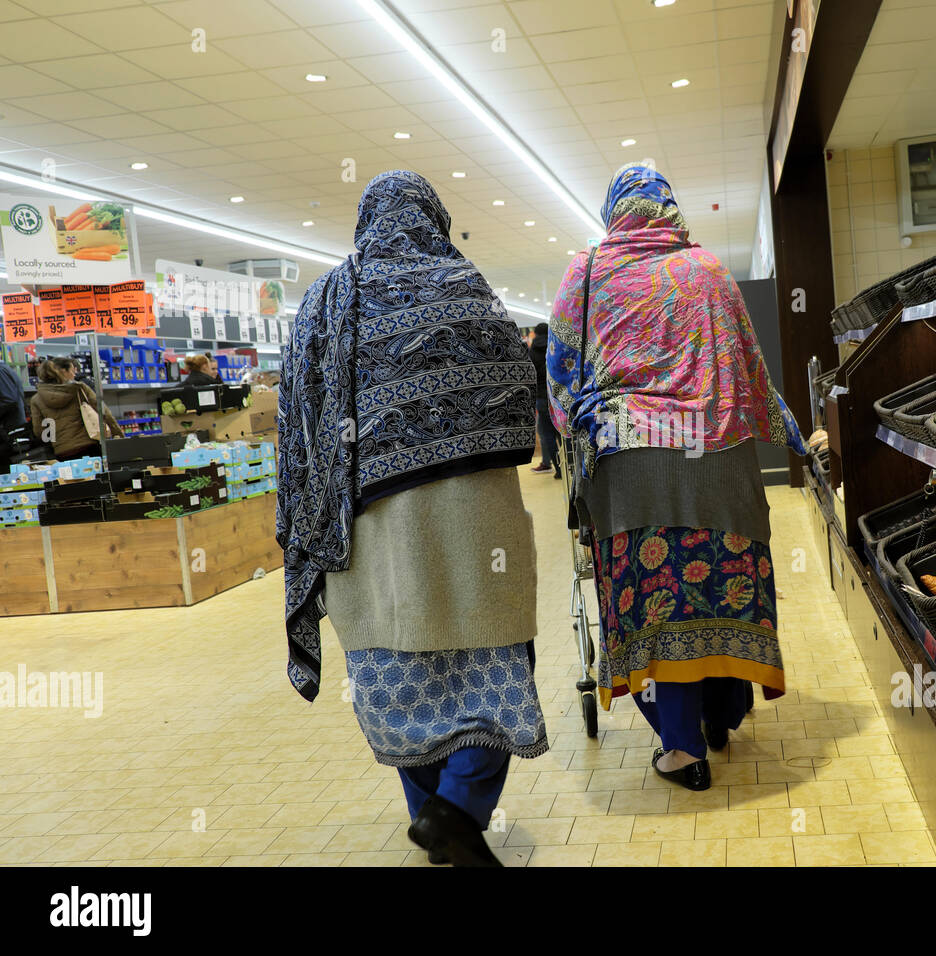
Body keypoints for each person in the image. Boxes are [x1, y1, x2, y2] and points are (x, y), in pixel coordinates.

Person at [276, 170, 547, 867]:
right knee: (491, 658)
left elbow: (296, 423)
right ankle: (455, 811)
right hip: (473, 517)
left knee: (400, 673)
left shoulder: (323, 304)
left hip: (365, 525)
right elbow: (519, 388)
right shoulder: (463, 286)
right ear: (435, 216)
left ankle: (434, 815)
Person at [547, 163, 805, 792]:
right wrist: (792, 432)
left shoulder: (587, 271)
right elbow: (751, 367)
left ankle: (683, 747)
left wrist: (569, 428)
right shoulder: (709, 270)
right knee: (720, 584)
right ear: (669, 207)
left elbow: (559, 370)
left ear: (614, 209)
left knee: (653, 603)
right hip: (718, 462)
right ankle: (726, 711)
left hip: (630, 466)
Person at [28, 357, 124, 460]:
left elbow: (39, 431)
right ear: (62, 372)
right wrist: (118, 434)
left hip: (62, 452)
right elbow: (103, 412)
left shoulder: (36, 400)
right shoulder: (79, 389)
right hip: (89, 446)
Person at [529, 322, 561, 478]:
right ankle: (568, 466)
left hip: (542, 397)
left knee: (546, 435)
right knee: (562, 433)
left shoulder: (532, 350)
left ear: (535, 333)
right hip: (558, 396)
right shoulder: (555, 345)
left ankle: (558, 469)